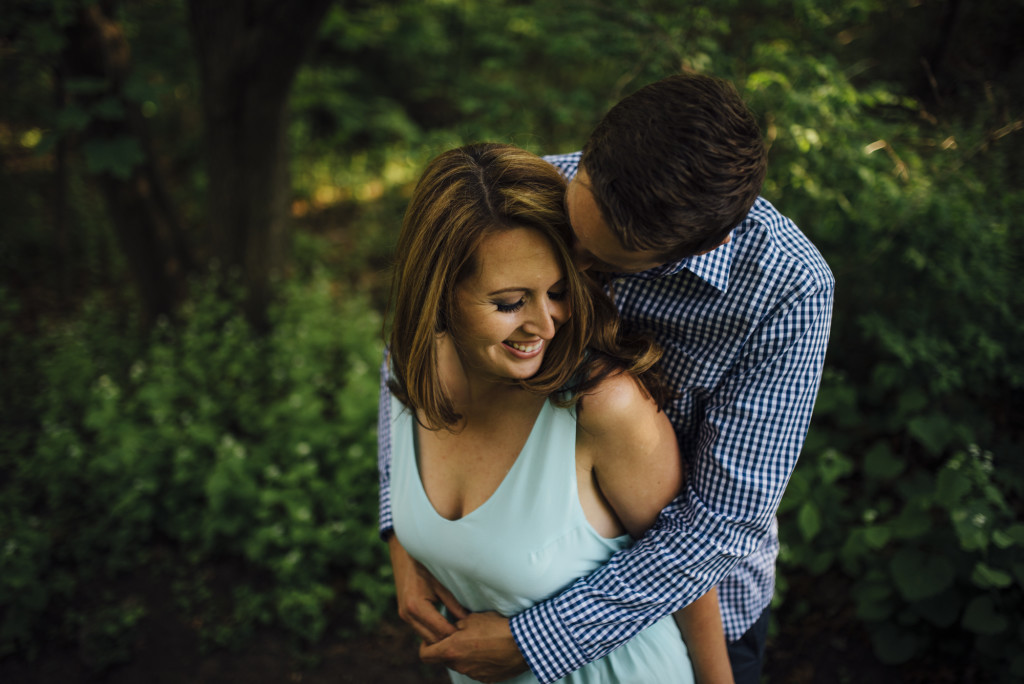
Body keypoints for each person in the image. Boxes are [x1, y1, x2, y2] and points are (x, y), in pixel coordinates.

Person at [379, 74, 835, 684]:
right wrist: (405, 538)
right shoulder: (535, 190)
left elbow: (722, 521)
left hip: (688, 612)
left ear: (696, 247)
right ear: (591, 155)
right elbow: (421, 330)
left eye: (600, 265)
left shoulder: (787, 290)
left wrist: (538, 641)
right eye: (573, 238)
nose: (575, 280)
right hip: (505, 568)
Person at [382, 142, 734, 683]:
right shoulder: (410, 370)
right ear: (439, 295)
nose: (546, 325)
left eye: (559, 291)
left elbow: (687, 570)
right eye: (509, 303)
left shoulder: (603, 406)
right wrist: (405, 558)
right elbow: (395, 478)